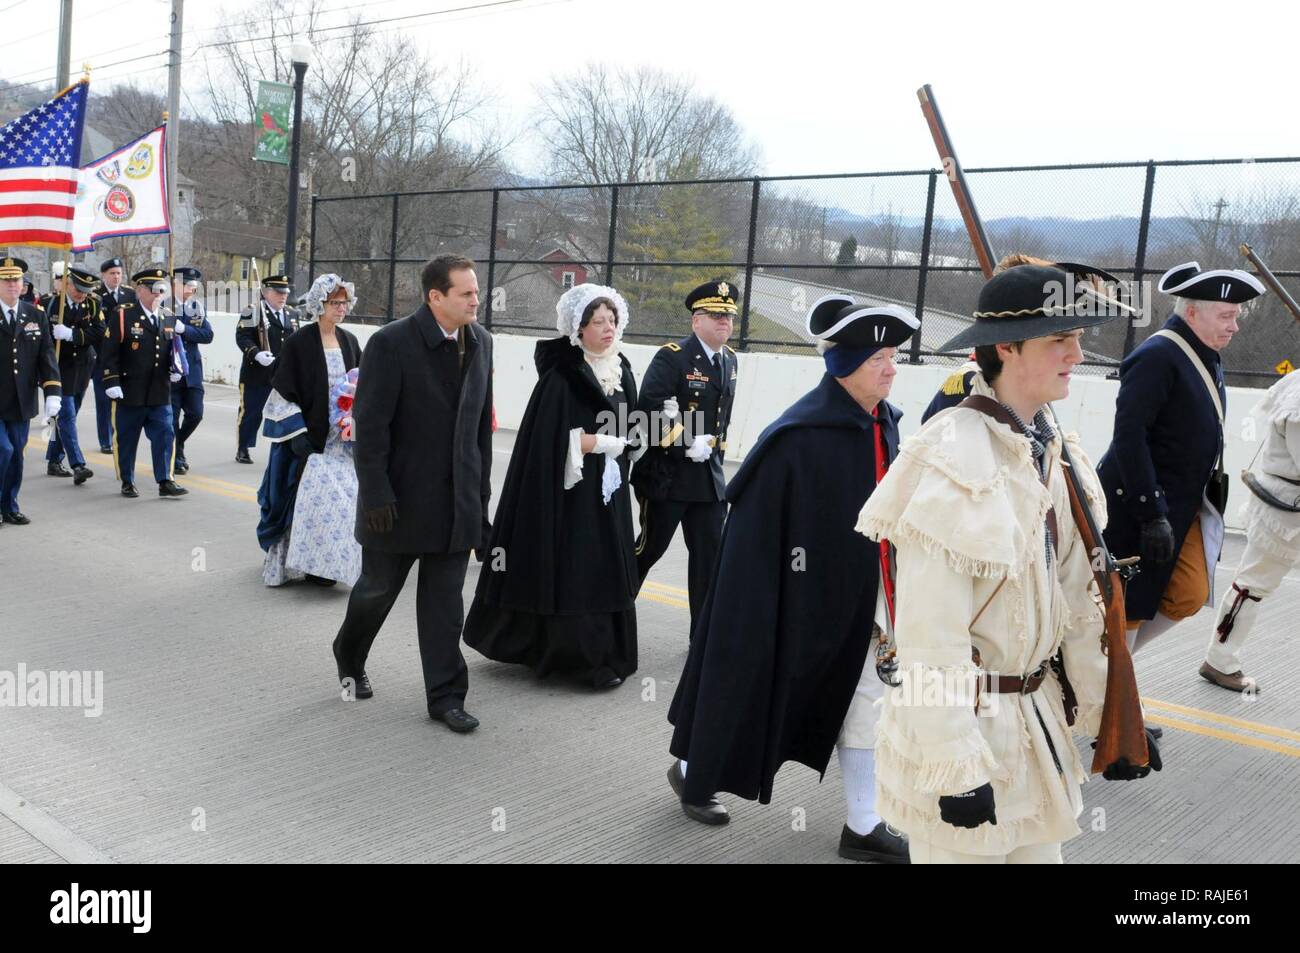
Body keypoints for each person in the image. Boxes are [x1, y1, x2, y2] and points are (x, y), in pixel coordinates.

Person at [857, 263, 1161, 864]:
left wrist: (1111, 718)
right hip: (964, 729)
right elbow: (928, 635)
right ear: (1006, 347)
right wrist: (954, 768)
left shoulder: (1053, 446)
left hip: (1036, 725)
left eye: (1076, 337)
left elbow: (1078, 603)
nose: (1078, 352)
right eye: (1059, 339)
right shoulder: (953, 456)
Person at [666, 294, 917, 864]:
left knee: (867, 697)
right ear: (844, 363)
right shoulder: (796, 436)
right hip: (793, 599)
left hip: (867, 597)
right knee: (746, 684)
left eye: (894, 356)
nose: (890, 368)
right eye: (878, 357)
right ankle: (691, 769)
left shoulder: (886, 425)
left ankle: (863, 822)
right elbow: (754, 540)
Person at [332, 256, 494, 733]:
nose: (475, 301)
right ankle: (349, 650)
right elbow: (372, 426)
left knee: (445, 606)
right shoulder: (391, 343)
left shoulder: (483, 343)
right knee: (376, 592)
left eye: (476, 292)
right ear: (435, 297)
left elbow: (479, 436)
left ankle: (446, 697)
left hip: (455, 505)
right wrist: (376, 493)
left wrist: (480, 508)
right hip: (396, 503)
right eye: (465, 294)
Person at [465, 284, 641, 689]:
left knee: (607, 563)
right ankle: (574, 659)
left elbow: (632, 421)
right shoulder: (564, 375)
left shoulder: (621, 368)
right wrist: (596, 442)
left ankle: (606, 654)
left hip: (609, 488)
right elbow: (548, 440)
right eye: (598, 322)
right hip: (572, 493)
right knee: (576, 564)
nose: (607, 328)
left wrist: (635, 438)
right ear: (578, 329)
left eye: (612, 320)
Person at [1098, 262, 1265, 652]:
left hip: (1183, 506)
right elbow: (1129, 436)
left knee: (1190, 591)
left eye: (1235, 317)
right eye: (1226, 316)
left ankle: (1116, 670)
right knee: (1133, 601)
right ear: (1192, 312)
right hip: (1141, 504)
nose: (1234, 326)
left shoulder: (1204, 353)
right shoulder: (1158, 355)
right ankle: (1110, 686)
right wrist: (1150, 511)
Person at [631, 279, 739, 637]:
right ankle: (608, 622)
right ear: (696, 321)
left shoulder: (730, 361)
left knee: (710, 561)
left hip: (708, 483)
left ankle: (703, 639)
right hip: (668, 477)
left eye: (729, 316)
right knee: (648, 552)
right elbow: (646, 411)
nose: (724, 322)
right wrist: (685, 440)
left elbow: (721, 420)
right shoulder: (673, 356)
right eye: (715, 315)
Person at [256, 274, 363, 588]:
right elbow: (282, 392)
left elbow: (362, 386)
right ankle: (293, 562)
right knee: (303, 501)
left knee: (341, 503)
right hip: (308, 440)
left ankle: (324, 566)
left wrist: (355, 420)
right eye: (335, 303)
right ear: (320, 304)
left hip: (340, 440)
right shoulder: (300, 343)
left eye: (345, 302)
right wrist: (297, 434)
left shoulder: (350, 341)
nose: (341, 308)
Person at [1204, 368, 1300, 692]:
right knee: (1252, 585)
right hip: (1285, 512)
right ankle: (1220, 661)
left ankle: (1220, 658)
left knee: (1252, 583)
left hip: (1287, 505)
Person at [101, 267, 187, 499]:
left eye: (162, 289)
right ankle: (127, 480)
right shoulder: (123, 314)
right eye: (154, 289)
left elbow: (173, 350)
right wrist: (111, 379)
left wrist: (176, 368)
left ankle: (165, 479)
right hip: (130, 391)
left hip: (159, 391)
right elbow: (109, 352)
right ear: (140, 291)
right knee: (127, 439)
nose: (159, 293)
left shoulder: (167, 316)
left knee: (165, 434)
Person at [0, 256, 62, 527]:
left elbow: (45, 357)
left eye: (16, 280)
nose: (13, 285)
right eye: (6, 280)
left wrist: (53, 391)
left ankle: (9, 505)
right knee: (3, 450)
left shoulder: (35, 315)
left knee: (16, 454)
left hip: (21, 400)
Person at [41, 265, 104, 485]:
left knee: (67, 417)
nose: (82, 295)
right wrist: (52, 335)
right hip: (57, 369)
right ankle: (78, 465)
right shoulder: (49, 304)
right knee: (66, 415)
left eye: (86, 290)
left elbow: (99, 332)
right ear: (67, 283)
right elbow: (38, 338)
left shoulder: (94, 304)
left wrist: (72, 334)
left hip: (83, 367)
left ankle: (54, 459)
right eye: (78, 289)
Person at [235, 275, 298, 464]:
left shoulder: (291, 314)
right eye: (278, 293)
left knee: (286, 412)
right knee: (252, 412)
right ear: (266, 292)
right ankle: (243, 447)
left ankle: (284, 448)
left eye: (285, 293)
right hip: (257, 373)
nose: (283, 297)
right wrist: (256, 353)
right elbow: (242, 337)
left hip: (282, 374)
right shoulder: (252, 312)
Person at [169, 266, 214, 475]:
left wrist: (184, 329)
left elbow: (207, 335)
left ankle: (178, 445)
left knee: (196, 414)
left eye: (194, 286)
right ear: (175, 284)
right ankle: (175, 457)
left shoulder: (196, 307)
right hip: (170, 372)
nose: (191, 290)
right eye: (187, 285)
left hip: (192, 371)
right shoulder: (164, 306)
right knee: (172, 417)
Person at [94, 257, 135, 455]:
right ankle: (105, 439)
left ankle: (120, 435)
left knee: (121, 399)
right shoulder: (95, 296)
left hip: (124, 355)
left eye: (118, 273)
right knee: (103, 401)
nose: (116, 277)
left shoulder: (130, 294)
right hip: (101, 355)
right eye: (112, 273)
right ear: (104, 275)